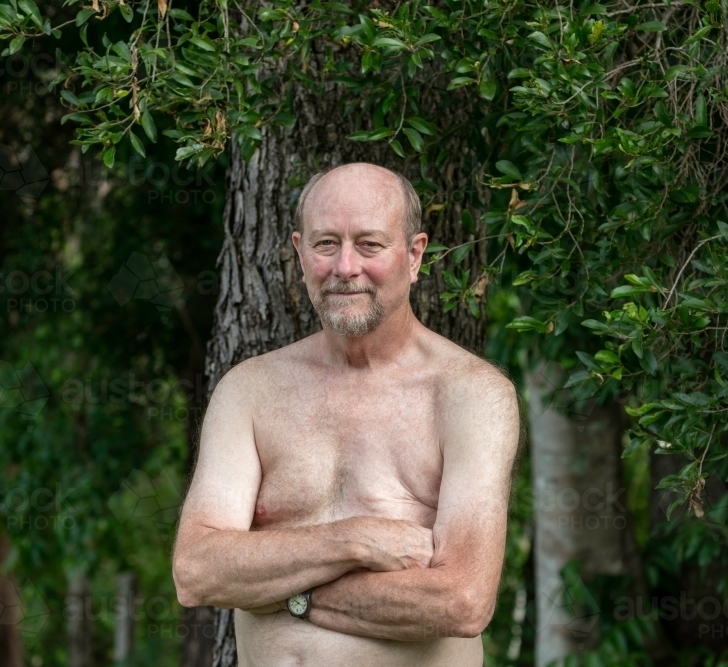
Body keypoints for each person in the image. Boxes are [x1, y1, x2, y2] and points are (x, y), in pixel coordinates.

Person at [172, 162, 520, 666]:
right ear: (299, 252)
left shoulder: (472, 397)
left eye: (370, 245)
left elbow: (461, 602)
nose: (345, 267)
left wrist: (283, 594)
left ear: (415, 254)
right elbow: (198, 571)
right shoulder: (250, 391)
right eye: (326, 244)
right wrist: (356, 542)